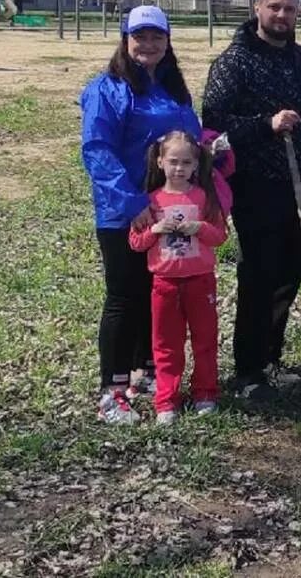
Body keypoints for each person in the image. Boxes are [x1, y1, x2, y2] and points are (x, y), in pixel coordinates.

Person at [202, 0, 301, 400]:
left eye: (290, 10)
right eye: (274, 8)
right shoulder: (233, 62)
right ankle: (247, 369)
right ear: (257, 8)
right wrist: (267, 124)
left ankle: (270, 355)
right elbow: (213, 124)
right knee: (259, 273)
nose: (282, 16)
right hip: (255, 183)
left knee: (294, 268)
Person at [81, 5, 201, 425]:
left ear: (168, 42)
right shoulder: (108, 90)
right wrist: (133, 204)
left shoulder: (172, 89)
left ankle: (147, 373)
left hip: (169, 212)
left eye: (157, 37)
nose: (148, 44)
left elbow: (191, 139)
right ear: (125, 39)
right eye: (140, 36)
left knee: (158, 295)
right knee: (124, 297)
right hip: (125, 214)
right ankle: (111, 391)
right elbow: (97, 151)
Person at [128, 131, 228, 424]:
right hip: (164, 284)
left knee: (205, 340)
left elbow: (220, 235)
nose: (179, 168)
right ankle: (167, 401)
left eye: (186, 162)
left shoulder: (204, 197)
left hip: (201, 280)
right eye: (173, 161)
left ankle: (205, 394)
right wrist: (155, 231)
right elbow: (135, 242)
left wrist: (199, 228)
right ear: (160, 162)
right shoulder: (151, 201)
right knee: (166, 344)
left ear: (197, 165)